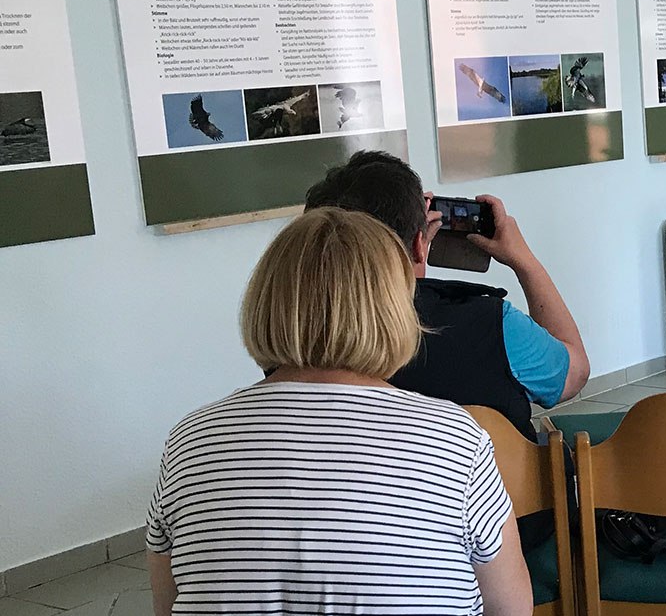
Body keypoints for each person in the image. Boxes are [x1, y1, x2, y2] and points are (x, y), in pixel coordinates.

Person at [146, 208, 532, 614]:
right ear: (396, 311)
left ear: (265, 303)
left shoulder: (188, 441)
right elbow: (511, 608)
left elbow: (167, 603)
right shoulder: (456, 439)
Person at [306, 151, 588, 440]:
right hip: (498, 484)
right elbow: (574, 374)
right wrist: (525, 261)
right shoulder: (493, 325)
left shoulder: (293, 337)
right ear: (419, 243)